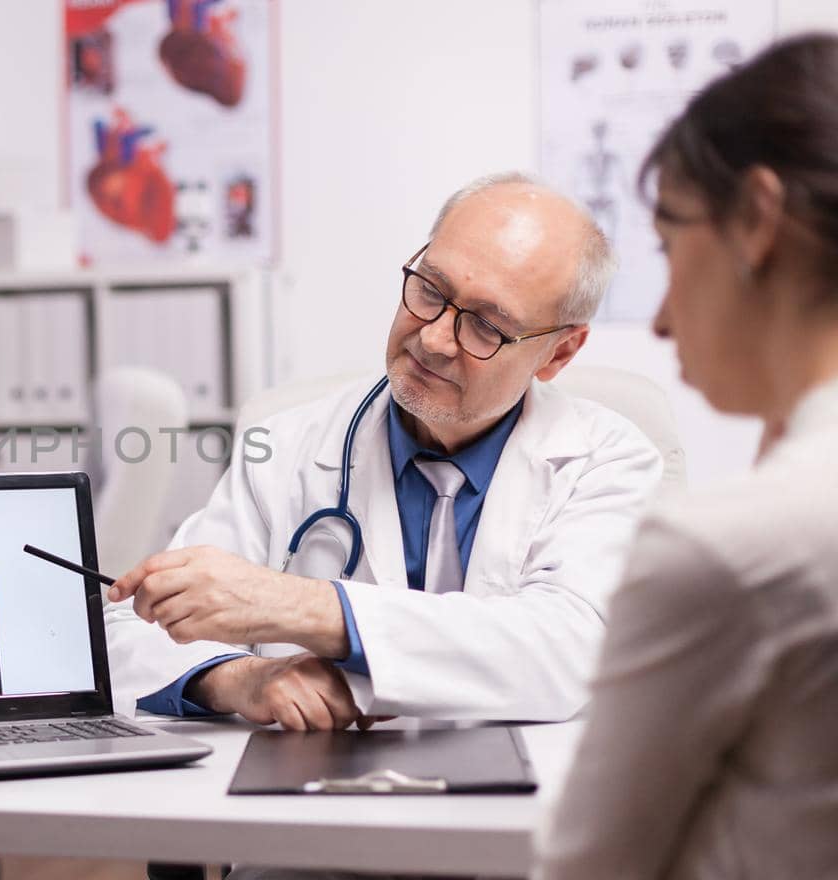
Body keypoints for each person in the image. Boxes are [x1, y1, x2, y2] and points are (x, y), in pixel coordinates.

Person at [106, 173, 664, 732]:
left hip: (519, 801)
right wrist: (239, 679)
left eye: (486, 326)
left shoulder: (609, 461)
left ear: (559, 351)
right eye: (429, 291)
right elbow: (133, 634)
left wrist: (303, 607)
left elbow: (573, 650)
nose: (434, 339)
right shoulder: (283, 450)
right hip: (314, 793)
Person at [537, 34, 838, 878]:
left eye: (669, 247)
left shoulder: (730, 545)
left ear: (756, 221)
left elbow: (586, 866)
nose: (662, 319)